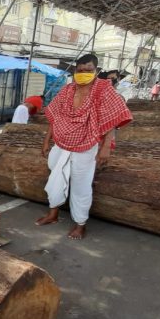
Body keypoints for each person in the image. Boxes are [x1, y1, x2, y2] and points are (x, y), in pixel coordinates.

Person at [35, 54, 133, 240]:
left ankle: (80, 224)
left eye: (88, 70)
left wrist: (105, 147)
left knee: (81, 186)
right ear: (75, 71)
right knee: (55, 177)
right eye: (80, 70)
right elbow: (54, 118)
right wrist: (47, 141)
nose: (83, 73)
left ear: (96, 71)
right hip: (62, 142)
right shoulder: (67, 90)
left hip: (87, 144)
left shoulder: (104, 89)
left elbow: (113, 118)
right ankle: (53, 214)